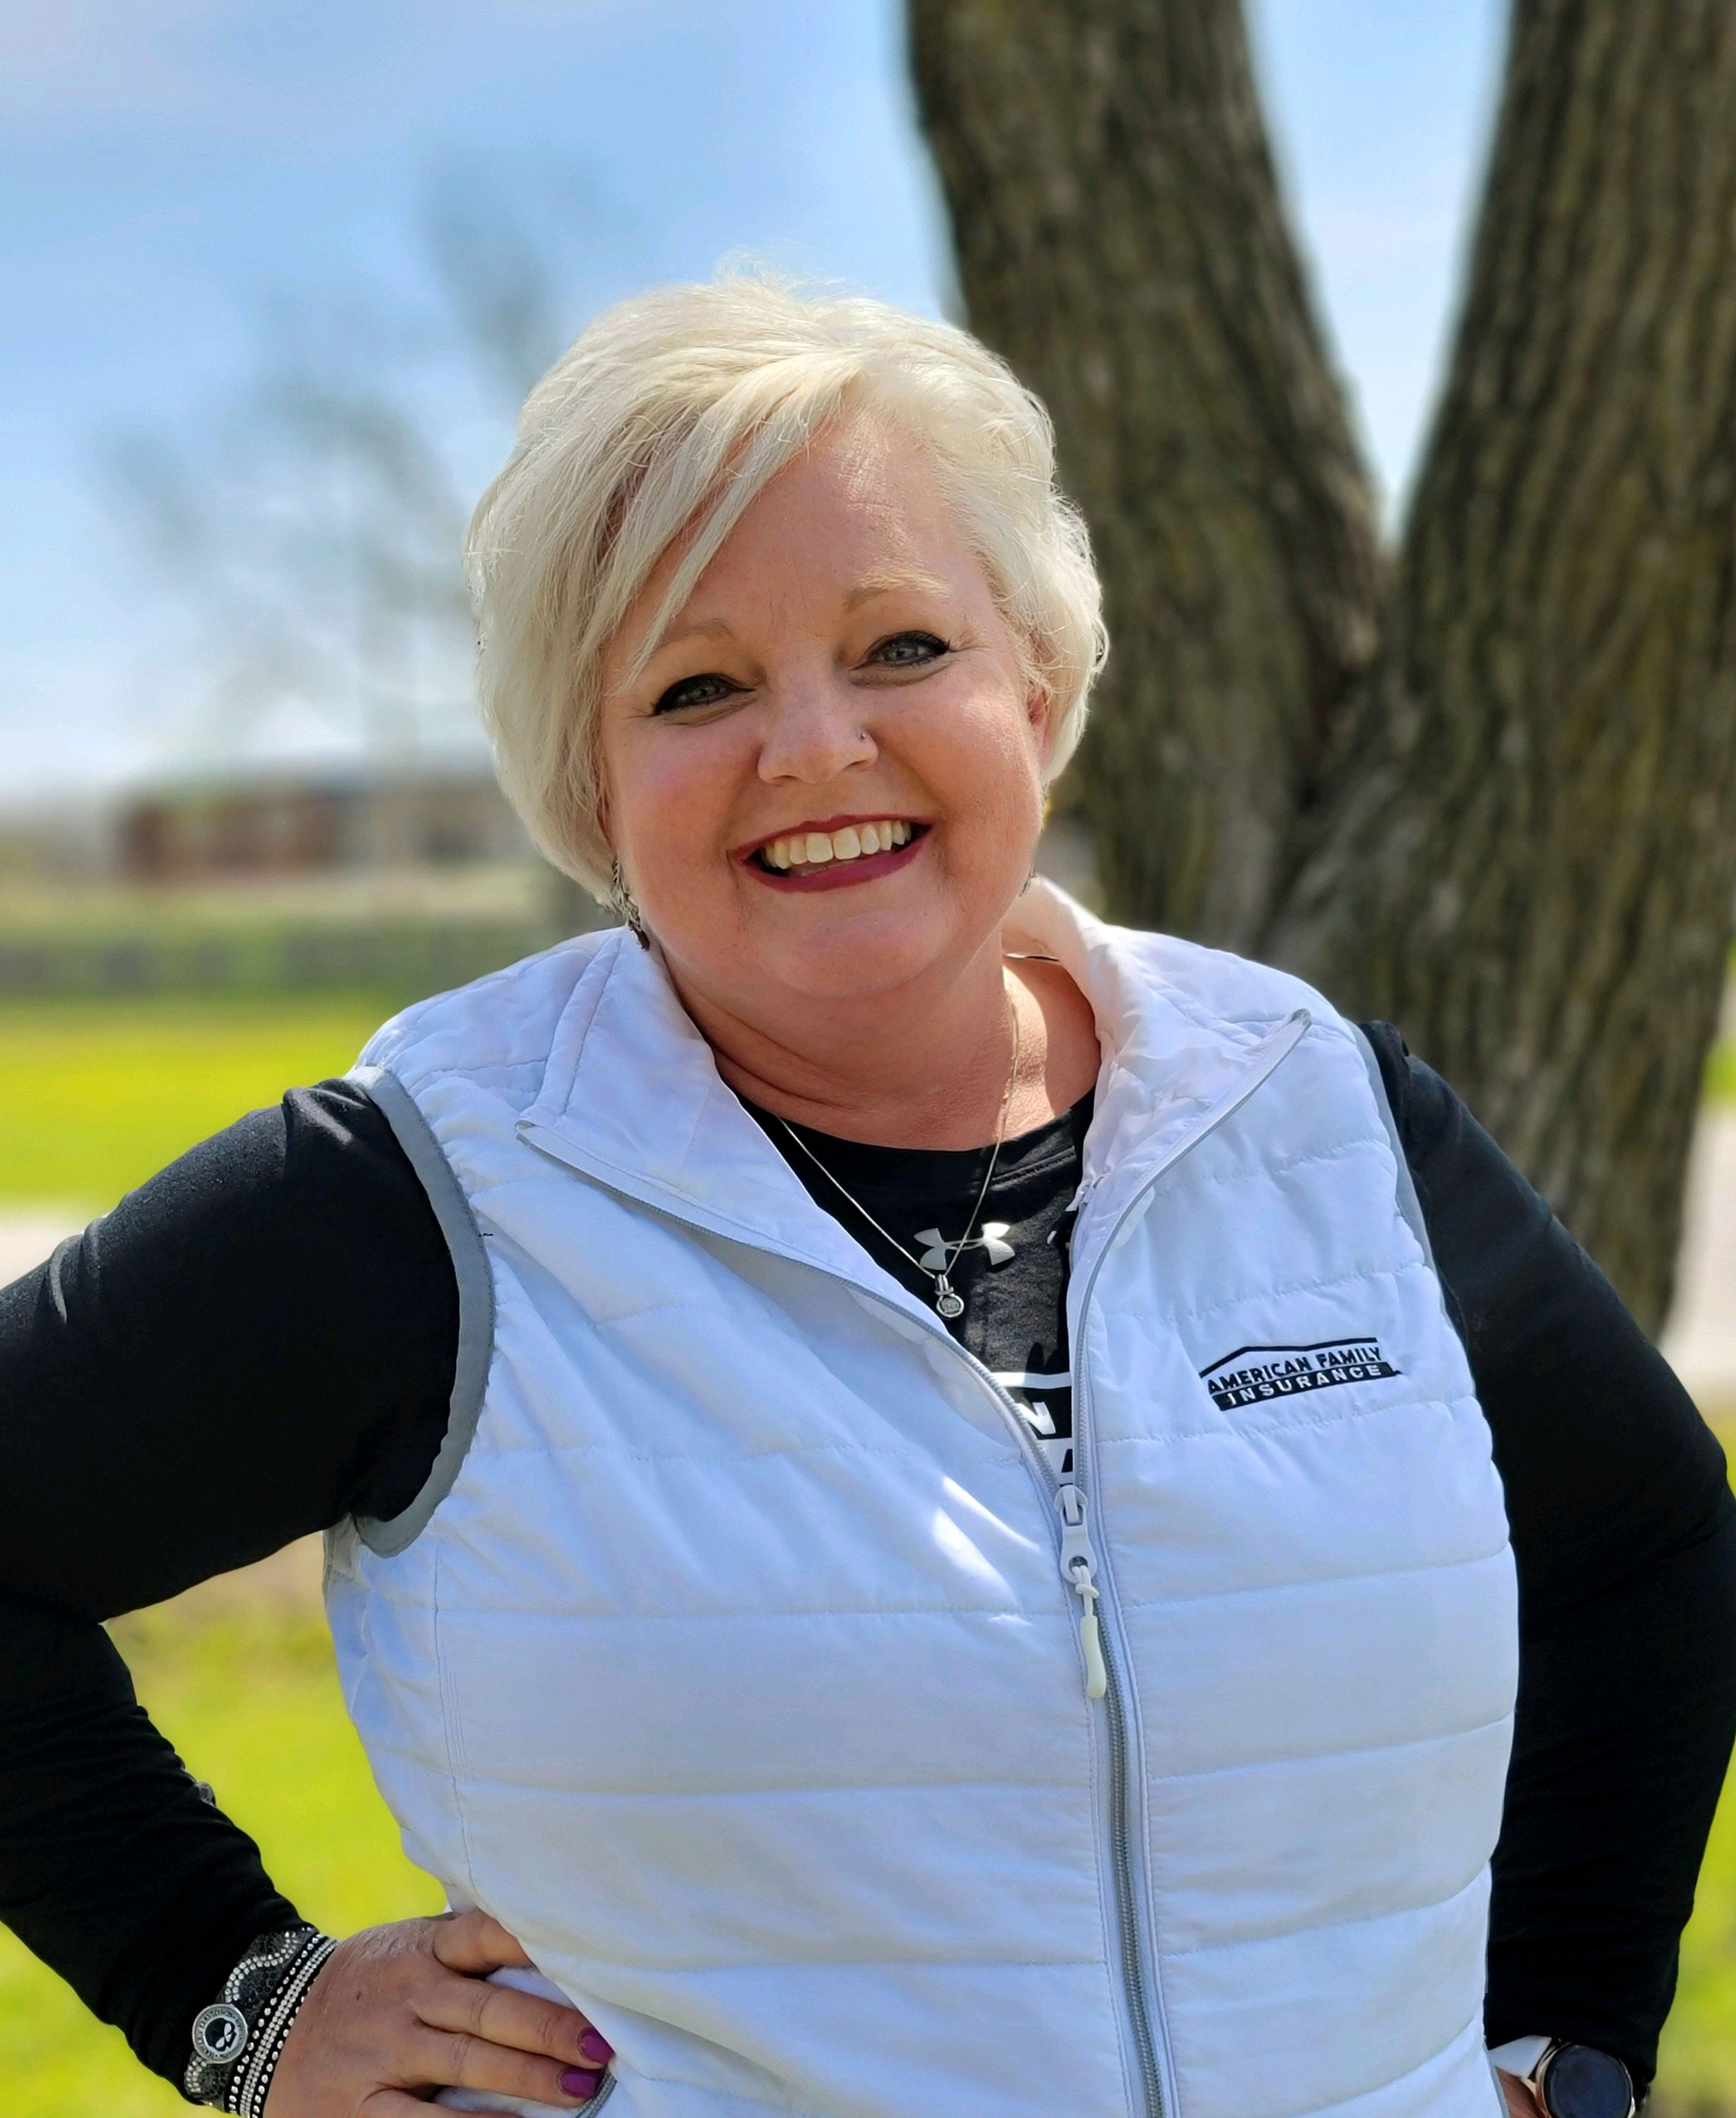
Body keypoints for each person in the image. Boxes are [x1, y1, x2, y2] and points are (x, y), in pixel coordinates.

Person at [2, 275, 1733, 2118]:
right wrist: (232, 1996)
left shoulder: (1323, 1117)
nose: (815, 745)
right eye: (697, 685)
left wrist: (1570, 2049)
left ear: (1039, 681)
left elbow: (1646, 1547)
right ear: (593, 783)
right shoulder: (419, 1197)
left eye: (902, 646)